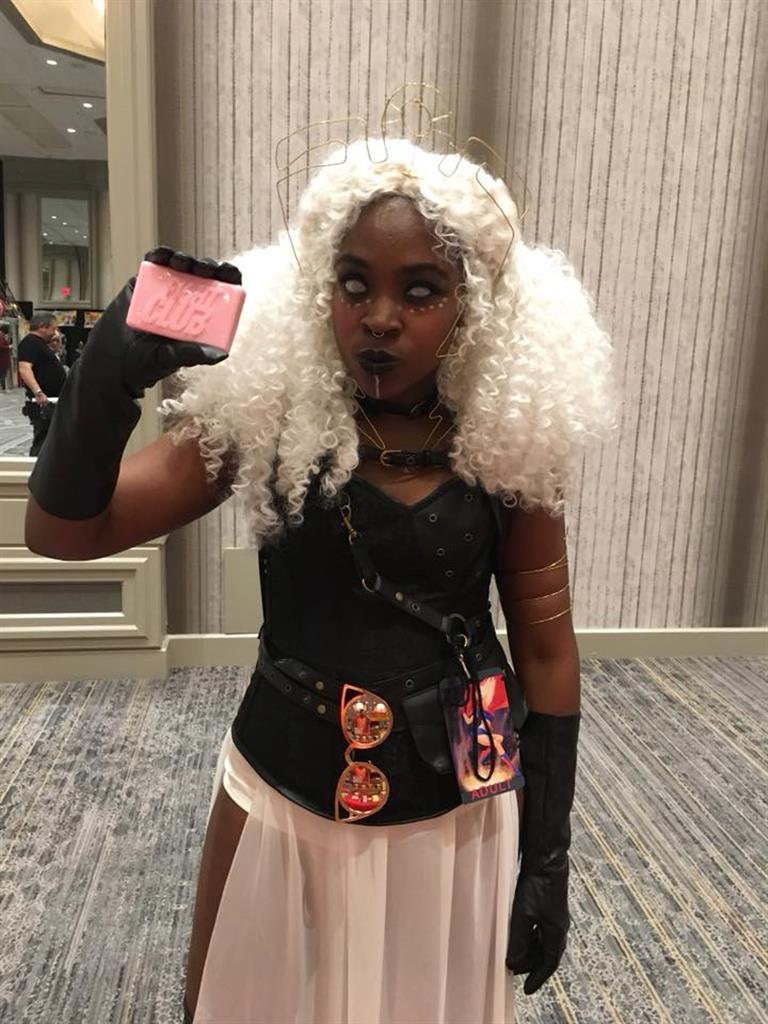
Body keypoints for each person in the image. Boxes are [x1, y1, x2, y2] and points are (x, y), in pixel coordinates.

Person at [25, 139, 614, 1024]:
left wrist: (548, 860)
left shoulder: (509, 443)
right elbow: (64, 532)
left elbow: (545, 650)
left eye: (421, 290)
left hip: (457, 805)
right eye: (353, 283)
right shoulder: (270, 416)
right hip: (282, 792)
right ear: (320, 290)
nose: (379, 317)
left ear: (473, 305)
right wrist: (107, 373)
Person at [17, 312, 67, 455]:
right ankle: (36, 464)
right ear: (42, 326)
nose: (54, 332)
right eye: (53, 328)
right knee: (42, 440)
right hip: (43, 403)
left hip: (51, 401)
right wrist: (38, 392)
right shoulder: (30, 343)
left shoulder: (39, 344)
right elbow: (25, 369)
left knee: (50, 439)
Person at [0, 323, 12, 390]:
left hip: (3, 358)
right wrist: (8, 347)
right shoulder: (1, 337)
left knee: (3, 373)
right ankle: (3, 388)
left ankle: (3, 388)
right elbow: (1, 346)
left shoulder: (2, 336)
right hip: (2, 358)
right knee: (3, 373)